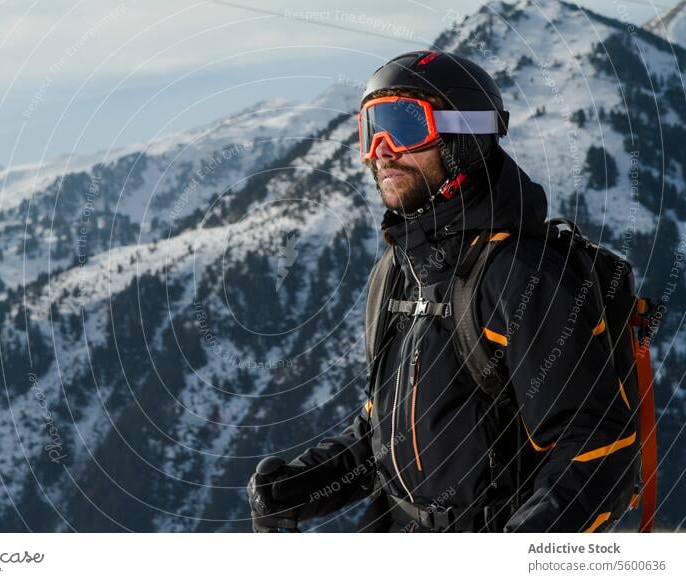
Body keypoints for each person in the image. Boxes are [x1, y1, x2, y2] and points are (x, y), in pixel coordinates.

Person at [247, 51, 637, 532]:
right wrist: (302, 488)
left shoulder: (519, 275)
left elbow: (596, 445)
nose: (382, 150)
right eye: (371, 129)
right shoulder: (396, 270)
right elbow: (384, 434)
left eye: (404, 126)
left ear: (463, 139)